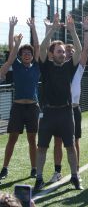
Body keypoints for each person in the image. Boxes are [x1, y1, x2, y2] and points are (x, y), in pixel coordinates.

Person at [34, 13, 83, 191]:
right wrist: (52, 30)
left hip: (65, 112)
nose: (63, 53)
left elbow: (79, 49)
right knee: (42, 147)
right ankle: (39, 178)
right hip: (47, 113)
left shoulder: (70, 67)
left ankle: (75, 177)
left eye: (64, 51)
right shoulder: (46, 66)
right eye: (59, 51)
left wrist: (72, 31)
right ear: (52, 54)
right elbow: (41, 49)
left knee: (70, 147)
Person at [49, 16, 88, 183]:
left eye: (72, 52)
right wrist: (50, 29)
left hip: (73, 108)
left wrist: (85, 30)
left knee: (74, 142)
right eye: (67, 52)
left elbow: (85, 50)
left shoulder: (79, 68)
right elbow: (47, 50)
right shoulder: (56, 67)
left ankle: (76, 172)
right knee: (57, 141)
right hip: (59, 108)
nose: (70, 54)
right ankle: (57, 171)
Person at [0, 16, 40, 180]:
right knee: (12, 140)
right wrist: (11, 28)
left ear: (32, 55)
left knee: (32, 140)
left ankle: (34, 168)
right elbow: (11, 48)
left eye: (29, 53)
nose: (26, 55)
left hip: (32, 108)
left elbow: (37, 46)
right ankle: (4, 168)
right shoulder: (15, 65)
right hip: (17, 107)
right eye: (24, 53)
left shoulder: (36, 66)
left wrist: (33, 28)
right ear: (21, 55)